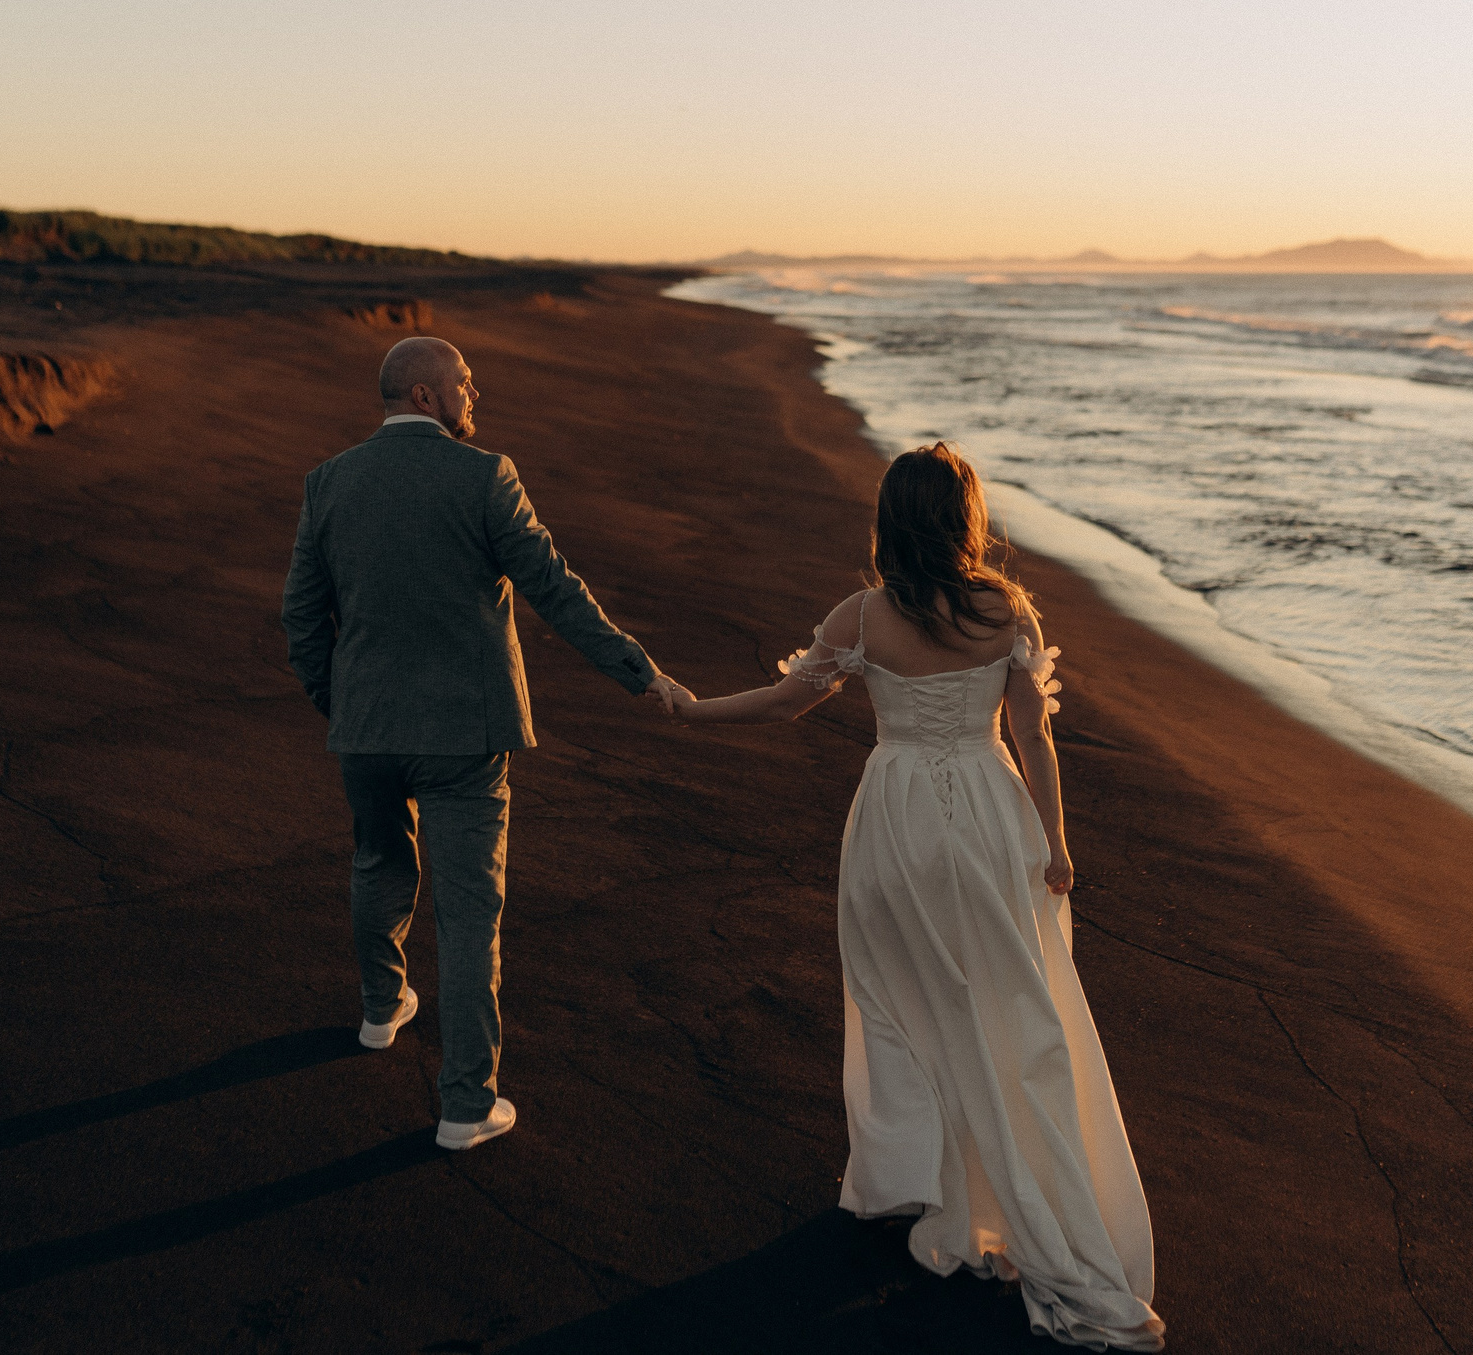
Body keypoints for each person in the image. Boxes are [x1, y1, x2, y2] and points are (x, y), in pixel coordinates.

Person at [666, 443, 1164, 1349]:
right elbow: (1034, 738)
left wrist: (693, 709)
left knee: (901, 1004)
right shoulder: (1002, 610)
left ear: (891, 519)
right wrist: (1057, 843)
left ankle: (922, 1177)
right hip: (987, 817)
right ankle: (1003, 1190)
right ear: (965, 518)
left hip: (894, 826)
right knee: (1009, 1008)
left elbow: (785, 703)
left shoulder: (863, 615)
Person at [281, 335, 687, 1152]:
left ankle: (378, 1009)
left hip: (365, 728)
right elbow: (556, 590)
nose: (478, 392)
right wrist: (639, 672)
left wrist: (344, 705)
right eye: (466, 381)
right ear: (426, 395)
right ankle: (466, 1104)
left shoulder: (328, 483)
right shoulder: (484, 477)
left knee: (377, 864)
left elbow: (301, 618)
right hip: (465, 734)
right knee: (469, 912)